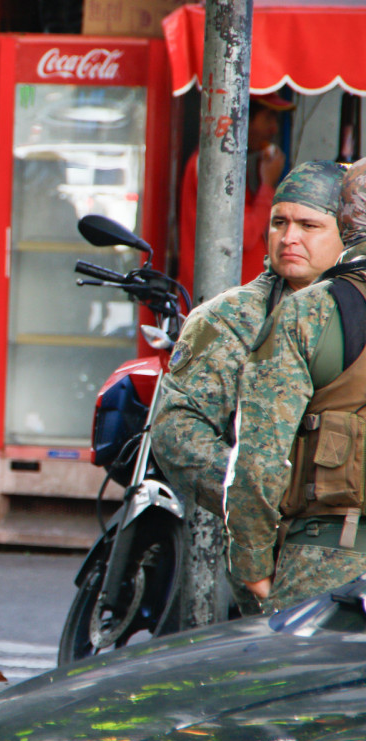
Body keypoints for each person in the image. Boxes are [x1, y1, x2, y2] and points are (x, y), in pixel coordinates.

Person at [150, 160, 346, 614]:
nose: (289, 237)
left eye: (309, 225)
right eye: (280, 222)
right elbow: (177, 430)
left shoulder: (354, 312)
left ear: (346, 235)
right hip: (269, 548)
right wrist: (257, 493)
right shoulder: (227, 320)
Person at [222, 157, 366, 614]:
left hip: (329, 555)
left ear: (344, 221)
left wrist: (251, 566)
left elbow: (260, 459)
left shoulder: (309, 311)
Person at [177, 92, 295, 296]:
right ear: (243, 119)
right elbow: (245, 235)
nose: (273, 129)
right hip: (221, 303)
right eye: (268, 118)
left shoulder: (235, 165)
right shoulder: (215, 164)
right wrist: (267, 185)